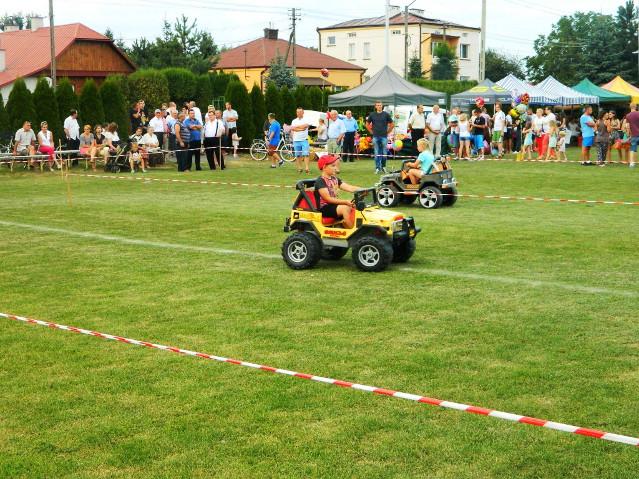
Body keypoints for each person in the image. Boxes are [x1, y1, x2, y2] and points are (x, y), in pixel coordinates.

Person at [315, 155, 362, 229]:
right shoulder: (320, 181)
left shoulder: (335, 179)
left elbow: (350, 188)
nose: (335, 168)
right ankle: (353, 230)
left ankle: (354, 225)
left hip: (334, 205)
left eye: (335, 165)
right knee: (345, 208)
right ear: (324, 167)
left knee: (354, 205)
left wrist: (364, 190)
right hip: (324, 208)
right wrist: (345, 202)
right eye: (333, 166)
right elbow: (328, 199)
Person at [366, 100, 394, 174]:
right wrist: (371, 132)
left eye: (380, 105)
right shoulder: (372, 114)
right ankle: (377, 168)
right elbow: (367, 124)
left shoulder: (386, 114)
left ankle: (383, 167)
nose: (379, 106)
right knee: (376, 153)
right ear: (375, 106)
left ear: (382, 106)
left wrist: (388, 132)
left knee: (384, 153)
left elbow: (392, 124)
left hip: (384, 137)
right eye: (377, 105)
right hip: (375, 137)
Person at [290, 107, 310, 173]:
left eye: (300, 112)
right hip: (296, 140)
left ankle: (307, 168)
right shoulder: (294, 121)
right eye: (297, 112)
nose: (299, 113)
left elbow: (305, 126)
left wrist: (297, 127)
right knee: (298, 155)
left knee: (306, 154)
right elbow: (293, 129)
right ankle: (300, 168)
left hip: (304, 140)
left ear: (303, 112)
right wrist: (301, 129)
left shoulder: (306, 119)